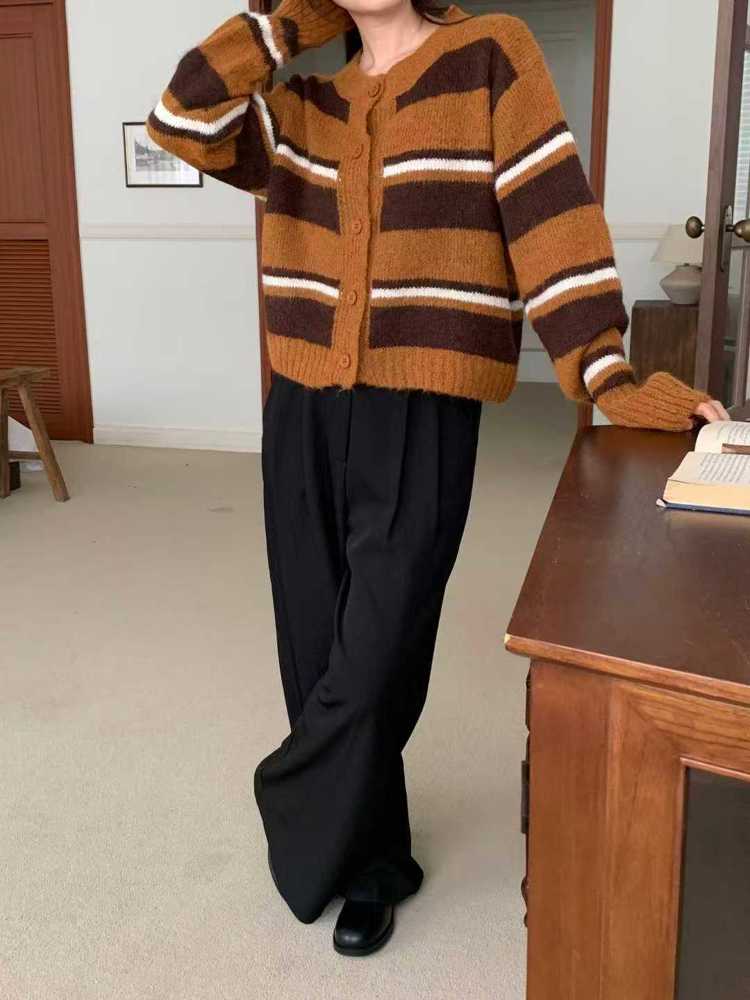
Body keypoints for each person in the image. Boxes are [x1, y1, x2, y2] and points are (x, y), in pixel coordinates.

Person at [145, 0, 730, 957]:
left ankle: (292, 791)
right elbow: (181, 118)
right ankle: (377, 863)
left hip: (422, 408)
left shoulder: (489, 55)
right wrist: (283, 26)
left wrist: (607, 372)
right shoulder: (302, 105)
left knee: (378, 650)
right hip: (301, 405)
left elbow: (551, 217)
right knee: (315, 647)